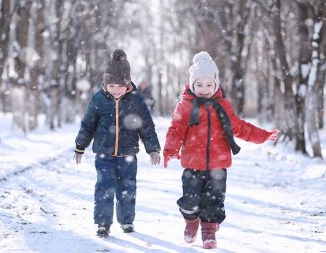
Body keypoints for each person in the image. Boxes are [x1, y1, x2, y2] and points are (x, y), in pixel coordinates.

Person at [163, 51, 279, 249]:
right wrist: (169, 149)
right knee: (190, 200)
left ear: (216, 84)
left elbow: (240, 127)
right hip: (192, 164)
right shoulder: (184, 106)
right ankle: (191, 222)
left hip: (218, 165)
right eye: (199, 85)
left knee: (214, 201)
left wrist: (264, 135)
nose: (204, 89)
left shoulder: (223, 105)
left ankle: (209, 233)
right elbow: (175, 130)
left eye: (209, 84)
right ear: (192, 84)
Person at [74, 49, 161, 238]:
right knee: (104, 188)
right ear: (105, 83)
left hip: (128, 155)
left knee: (127, 188)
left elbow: (146, 126)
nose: (115, 89)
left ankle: (126, 220)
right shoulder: (98, 99)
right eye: (111, 85)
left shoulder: (136, 100)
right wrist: (80, 145)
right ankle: (103, 223)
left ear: (127, 83)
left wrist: (153, 148)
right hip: (104, 154)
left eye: (119, 86)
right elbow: (88, 124)